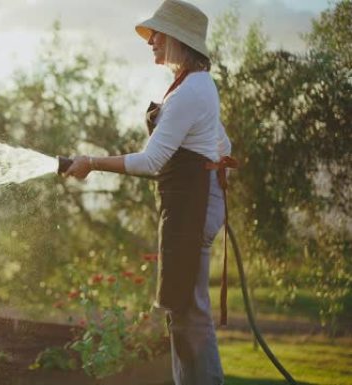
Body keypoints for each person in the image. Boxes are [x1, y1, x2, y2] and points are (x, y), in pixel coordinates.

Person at [63, 1, 234, 384]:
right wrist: (214, 182)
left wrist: (91, 161)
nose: (150, 40)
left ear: (177, 39)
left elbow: (151, 161)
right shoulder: (193, 86)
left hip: (191, 208)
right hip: (190, 205)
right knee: (183, 310)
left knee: (190, 315)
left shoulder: (191, 92)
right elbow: (226, 144)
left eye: (157, 34)